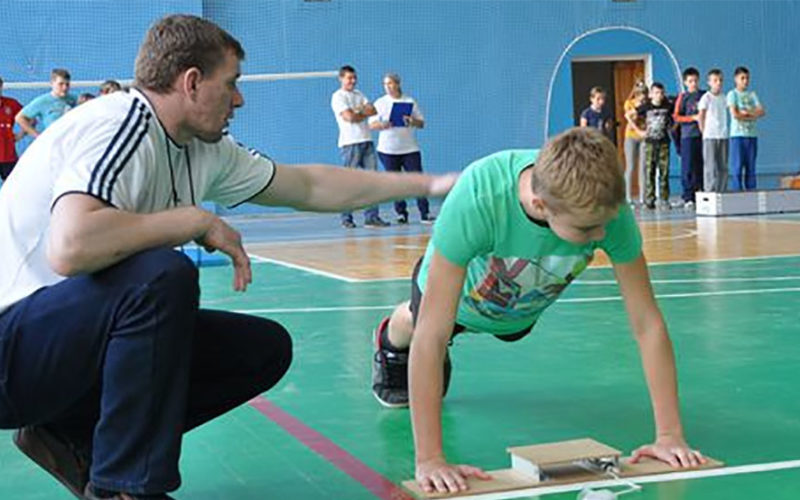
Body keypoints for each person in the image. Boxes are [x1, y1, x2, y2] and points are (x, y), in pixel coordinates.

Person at [0, 15, 455, 500]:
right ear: (191, 82)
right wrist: (194, 220)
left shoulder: (204, 149)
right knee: (160, 277)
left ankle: (70, 434)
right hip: (11, 352)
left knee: (260, 349)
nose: (239, 99)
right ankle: (124, 490)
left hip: (60, 351)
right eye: (231, 84)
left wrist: (429, 184)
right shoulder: (122, 122)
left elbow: (308, 184)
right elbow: (70, 246)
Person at [368, 128, 705, 495]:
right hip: (457, 299)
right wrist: (430, 459)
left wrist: (670, 434)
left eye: (605, 223)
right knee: (419, 323)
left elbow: (647, 323)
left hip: (518, 307)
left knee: (505, 325)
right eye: (588, 228)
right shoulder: (479, 197)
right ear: (541, 205)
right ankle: (391, 333)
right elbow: (432, 335)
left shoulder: (603, 207)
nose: (601, 235)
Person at [369, 72, 433, 224]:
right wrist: (382, 124)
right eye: (385, 84)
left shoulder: (409, 101)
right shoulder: (380, 103)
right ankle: (401, 214)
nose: (388, 87)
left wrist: (412, 121)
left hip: (409, 148)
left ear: (398, 84)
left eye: (391, 83)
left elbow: (422, 123)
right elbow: (371, 124)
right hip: (388, 150)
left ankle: (425, 213)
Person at [331, 65, 389, 228]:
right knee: (349, 182)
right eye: (349, 78)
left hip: (367, 141)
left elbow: (373, 109)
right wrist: (360, 112)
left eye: (354, 78)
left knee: (372, 180)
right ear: (341, 78)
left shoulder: (359, 94)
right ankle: (346, 218)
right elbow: (349, 117)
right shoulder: (338, 97)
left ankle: (372, 217)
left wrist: (359, 112)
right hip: (350, 143)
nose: (353, 81)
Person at [629, 82, 672, 210]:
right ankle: (649, 200)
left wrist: (673, 128)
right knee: (650, 171)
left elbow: (675, 117)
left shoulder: (668, 106)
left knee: (664, 172)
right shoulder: (646, 106)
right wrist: (638, 130)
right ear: (651, 94)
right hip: (650, 143)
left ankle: (664, 199)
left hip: (664, 142)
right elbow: (628, 115)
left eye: (662, 93)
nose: (659, 96)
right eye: (657, 93)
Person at [727, 66, 765, 191]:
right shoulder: (732, 94)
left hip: (751, 135)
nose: (745, 81)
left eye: (747, 78)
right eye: (742, 78)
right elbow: (735, 114)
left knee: (751, 167)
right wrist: (751, 115)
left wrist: (747, 114)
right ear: (735, 79)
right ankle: (737, 193)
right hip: (737, 136)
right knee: (737, 167)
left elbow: (761, 111)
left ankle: (751, 192)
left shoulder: (752, 95)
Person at [673, 67, 705, 208]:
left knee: (701, 165)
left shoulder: (704, 95)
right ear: (686, 82)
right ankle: (688, 196)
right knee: (688, 167)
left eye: (696, 81)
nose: (694, 83)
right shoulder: (683, 97)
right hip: (687, 136)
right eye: (690, 81)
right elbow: (676, 117)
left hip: (703, 136)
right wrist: (693, 117)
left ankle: (701, 192)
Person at [15, 68, 77, 138]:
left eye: (67, 84)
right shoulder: (43, 101)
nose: (65, 87)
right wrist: (38, 136)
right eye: (61, 84)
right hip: (54, 142)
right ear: (52, 84)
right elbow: (19, 118)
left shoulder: (75, 99)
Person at [697, 69, 729, 192]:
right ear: (709, 82)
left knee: (723, 166)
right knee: (710, 166)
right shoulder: (706, 98)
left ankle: (722, 190)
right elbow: (701, 116)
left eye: (720, 80)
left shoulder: (724, 97)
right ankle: (709, 191)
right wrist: (703, 131)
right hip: (710, 136)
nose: (718, 83)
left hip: (723, 136)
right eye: (715, 80)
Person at [622, 81, 648, 205]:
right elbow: (630, 119)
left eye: (644, 94)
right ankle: (628, 197)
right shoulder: (629, 103)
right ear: (636, 94)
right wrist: (637, 108)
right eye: (639, 94)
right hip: (631, 136)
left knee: (643, 167)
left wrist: (645, 131)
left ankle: (643, 197)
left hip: (644, 136)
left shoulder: (648, 104)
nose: (642, 97)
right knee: (630, 166)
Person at [0, 76, 24, 181]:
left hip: (8, 156)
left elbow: (30, 118)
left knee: (12, 190)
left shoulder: (11, 104)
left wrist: (21, 134)